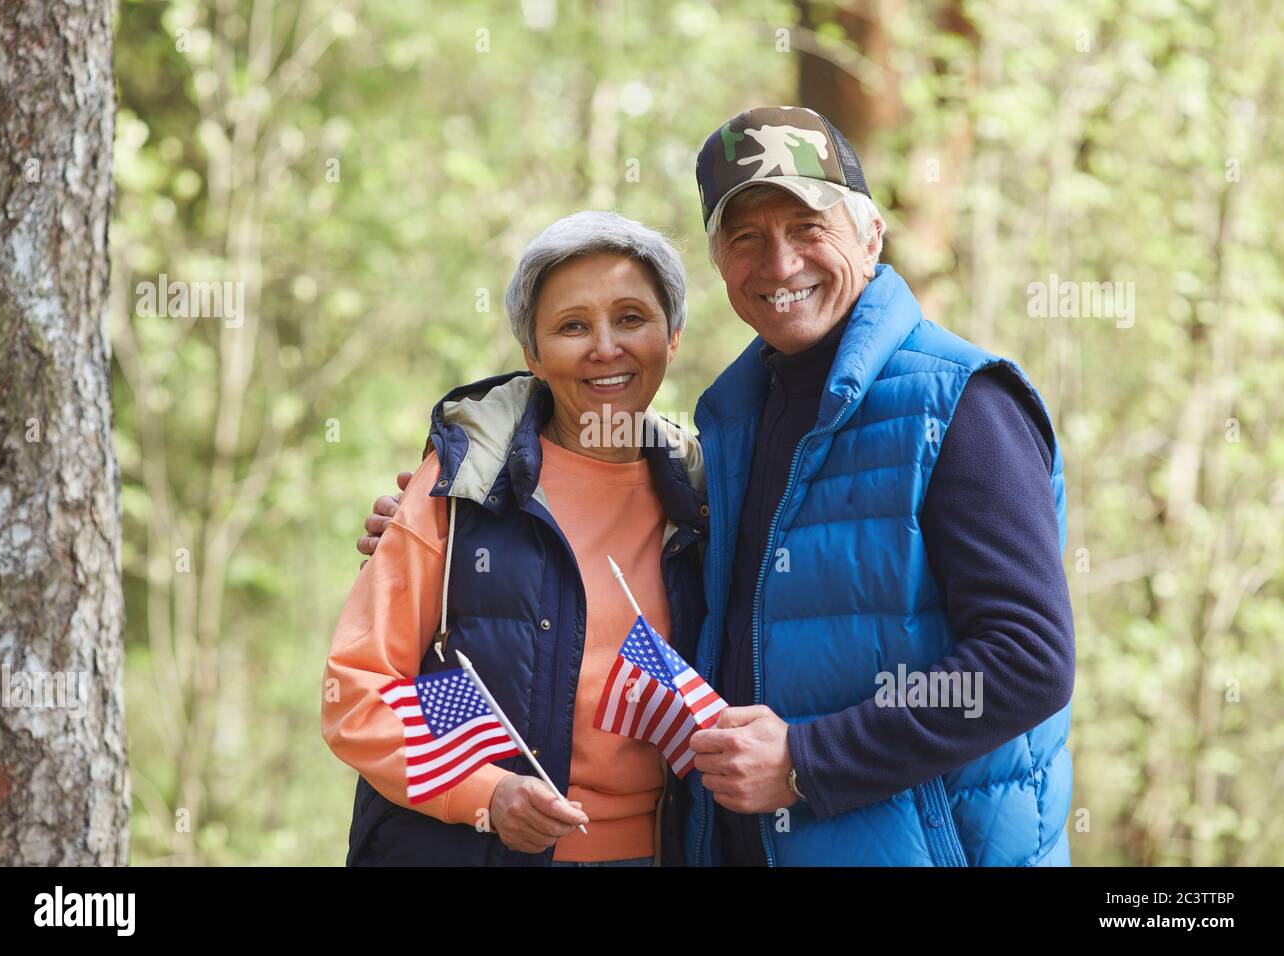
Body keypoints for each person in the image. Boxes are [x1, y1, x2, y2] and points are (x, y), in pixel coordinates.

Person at [360, 106, 1076, 867]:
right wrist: (436, 536)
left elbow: (1028, 658)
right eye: (747, 238)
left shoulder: (961, 405)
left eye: (808, 226)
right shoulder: (730, 432)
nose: (780, 263)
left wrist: (809, 758)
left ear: (870, 236)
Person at [322, 211, 708, 866]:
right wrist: (487, 793)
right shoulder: (462, 485)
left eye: (632, 318)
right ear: (532, 352)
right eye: (572, 326)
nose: (605, 347)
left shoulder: (706, 499)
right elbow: (356, 691)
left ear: (672, 337)